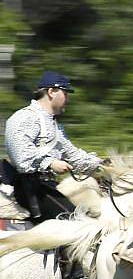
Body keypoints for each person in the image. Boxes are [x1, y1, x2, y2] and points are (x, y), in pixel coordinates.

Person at [4, 71, 102, 223]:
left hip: (45, 186)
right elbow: (20, 154)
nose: (68, 100)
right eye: (65, 93)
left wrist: (100, 165)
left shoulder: (55, 126)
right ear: (51, 92)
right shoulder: (25, 117)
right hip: (27, 186)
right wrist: (50, 163)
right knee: (74, 222)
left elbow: (73, 156)